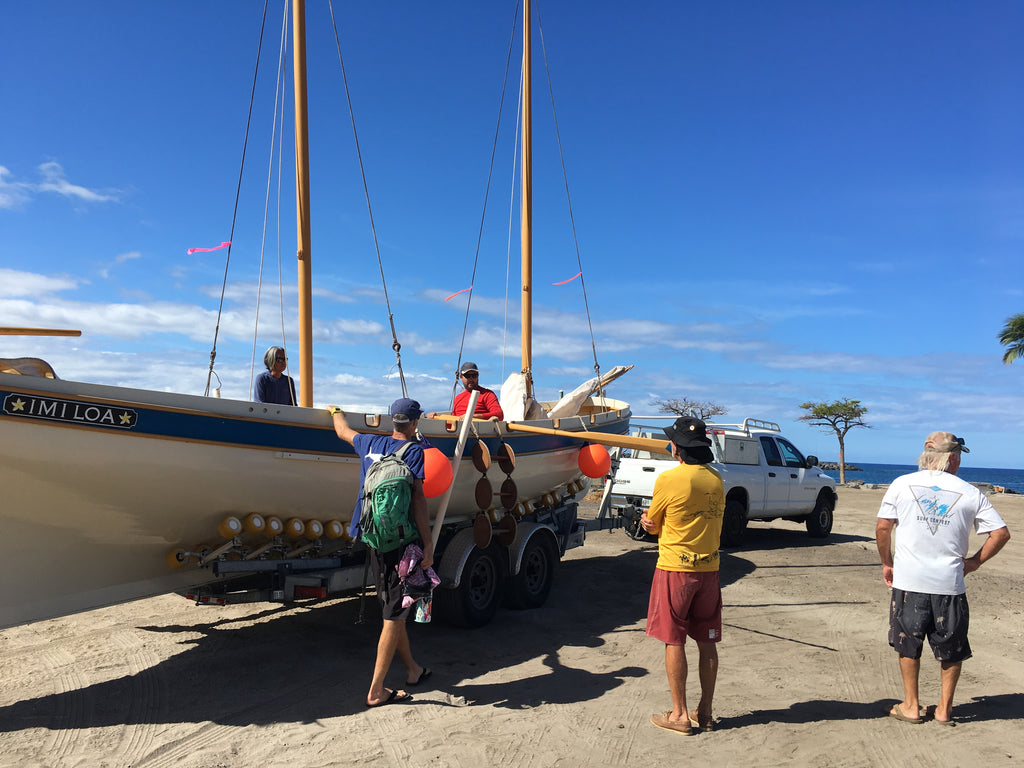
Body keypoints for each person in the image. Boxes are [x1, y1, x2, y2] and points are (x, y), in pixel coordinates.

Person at [875, 431, 1010, 726]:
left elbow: (884, 527)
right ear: (953, 457)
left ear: (926, 455)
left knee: (907, 643)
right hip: (949, 584)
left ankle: (911, 706)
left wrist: (887, 563)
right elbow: (1001, 533)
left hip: (909, 581)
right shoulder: (971, 492)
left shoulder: (901, 484)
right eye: (959, 456)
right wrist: (974, 561)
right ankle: (943, 710)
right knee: (951, 647)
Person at [328, 397, 435, 708]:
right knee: (394, 615)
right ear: (414, 424)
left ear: (393, 421)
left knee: (393, 607)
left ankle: (413, 669)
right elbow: (418, 501)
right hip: (400, 544)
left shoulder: (370, 443)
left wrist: (335, 411)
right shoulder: (414, 451)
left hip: (372, 537)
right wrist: (428, 544)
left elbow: (342, 431)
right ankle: (376, 690)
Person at [639, 416, 725, 735]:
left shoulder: (670, 479)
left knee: (673, 639)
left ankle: (679, 714)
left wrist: (648, 524)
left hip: (676, 567)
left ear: (677, 449)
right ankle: (706, 711)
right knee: (707, 642)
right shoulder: (716, 480)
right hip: (710, 569)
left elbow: (655, 521)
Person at [427, 362, 503, 421]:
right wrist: (435, 417)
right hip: (458, 433)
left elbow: (499, 415)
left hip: (478, 433)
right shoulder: (458, 398)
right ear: (461, 377)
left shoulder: (488, 394)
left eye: (474, 375)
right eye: (467, 376)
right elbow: (453, 423)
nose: (471, 379)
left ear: (478, 376)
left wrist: (472, 416)